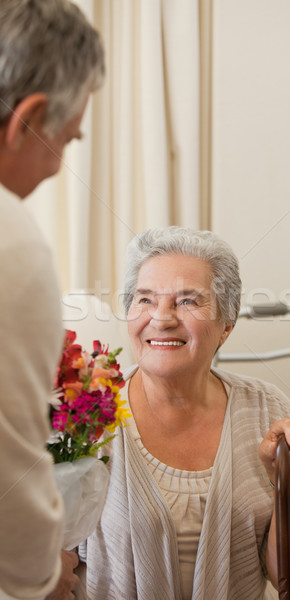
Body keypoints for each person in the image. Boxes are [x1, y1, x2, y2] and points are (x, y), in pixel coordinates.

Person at [78, 226, 290, 599]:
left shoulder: (266, 408)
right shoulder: (86, 412)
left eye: (187, 301)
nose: (162, 318)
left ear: (226, 328)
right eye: (145, 299)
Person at [0, 1, 105, 599]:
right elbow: (8, 468)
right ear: (28, 118)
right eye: (65, 139)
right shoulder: (10, 239)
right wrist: (43, 578)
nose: (57, 165)